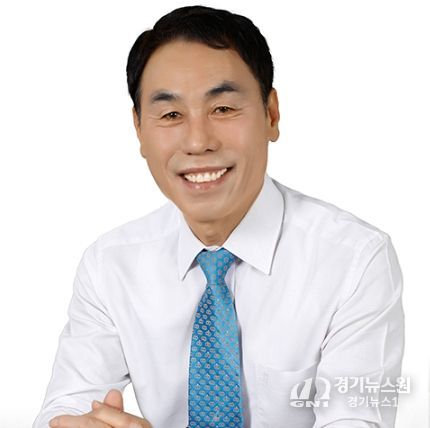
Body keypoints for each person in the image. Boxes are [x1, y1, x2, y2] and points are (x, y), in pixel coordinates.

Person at [33, 5, 405, 428]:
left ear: (271, 114)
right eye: (171, 115)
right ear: (139, 130)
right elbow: (65, 408)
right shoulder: (110, 265)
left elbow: (354, 421)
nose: (198, 142)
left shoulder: (354, 260)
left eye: (223, 109)